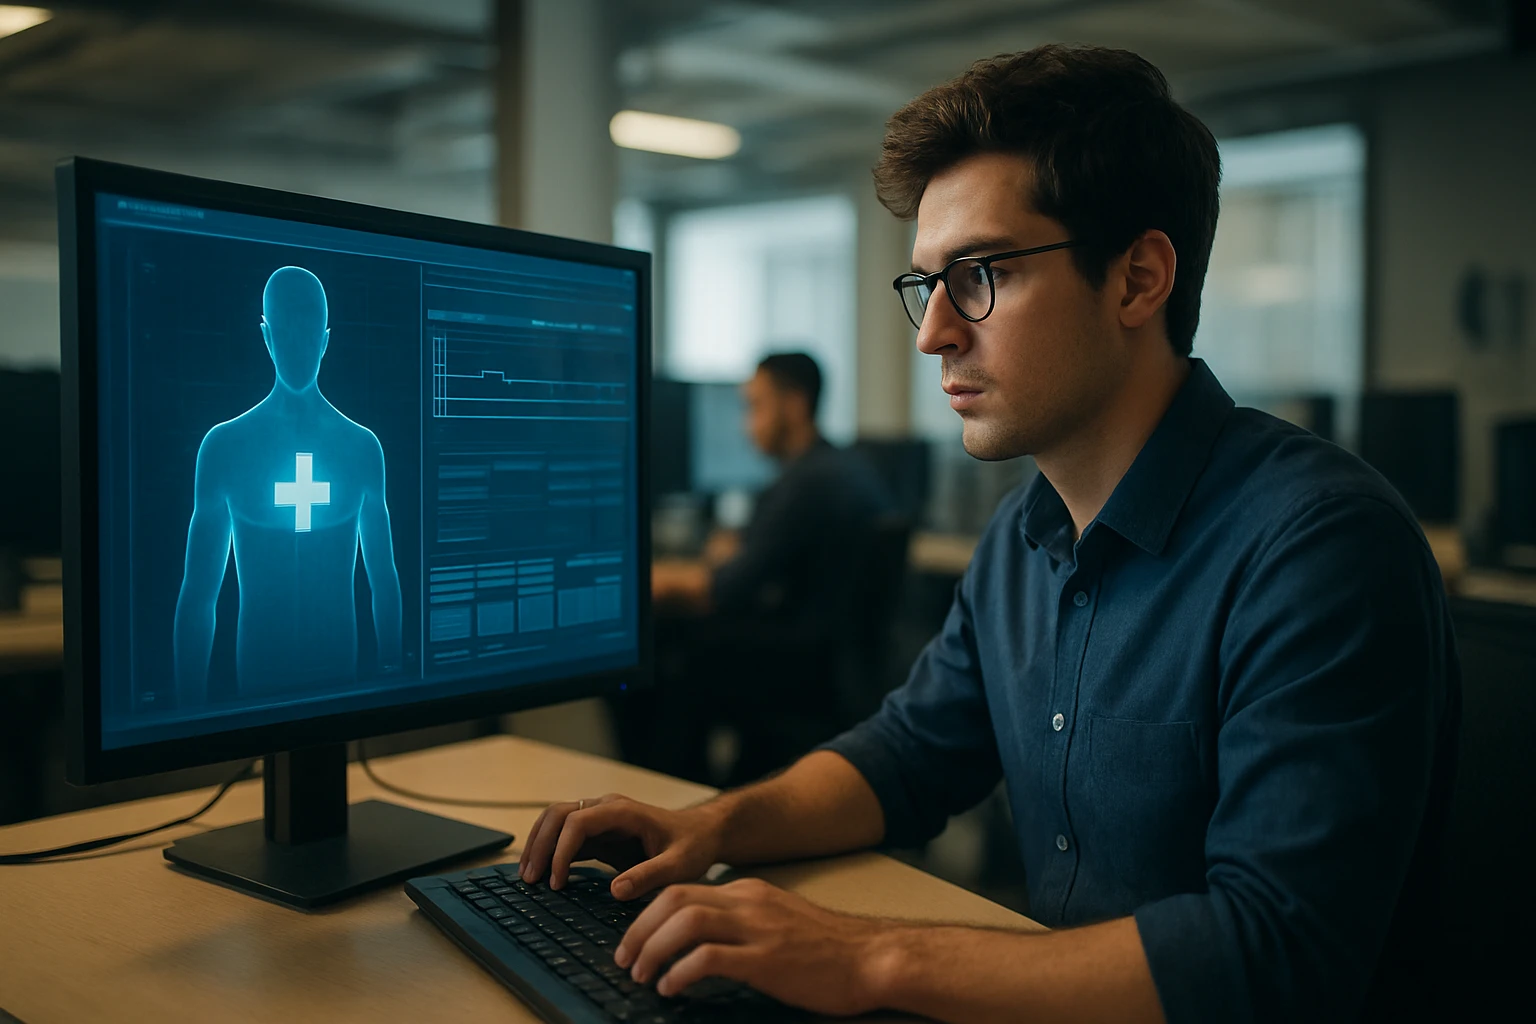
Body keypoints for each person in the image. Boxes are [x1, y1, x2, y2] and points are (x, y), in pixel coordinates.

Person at [523, 45, 1459, 1024]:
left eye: (981, 275)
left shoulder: (1319, 549)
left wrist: (871, 958)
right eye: (927, 284)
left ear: (1138, 279)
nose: (932, 334)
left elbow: (1271, 956)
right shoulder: (1026, 532)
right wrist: (708, 825)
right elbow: (909, 753)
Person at [625, 352, 892, 784]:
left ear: (794, 404)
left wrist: (641, 583)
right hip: (833, 664)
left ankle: (672, 796)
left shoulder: (806, 484)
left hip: (801, 672)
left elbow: (720, 591)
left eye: (756, 405)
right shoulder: (839, 469)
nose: (745, 423)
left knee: (657, 647)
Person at [173, 266, 402, 706]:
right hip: (258, 688)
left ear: (325, 339)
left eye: (308, 330)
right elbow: (199, 594)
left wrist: (393, 681)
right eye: (286, 329)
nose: (297, 345)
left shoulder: (362, 448)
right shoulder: (224, 447)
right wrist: (188, 713)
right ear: (267, 336)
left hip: (342, 686)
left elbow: (384, 581)